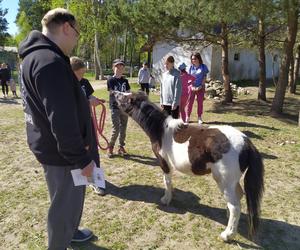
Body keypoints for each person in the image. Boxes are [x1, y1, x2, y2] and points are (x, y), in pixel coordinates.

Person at [18, 8, 96, 249]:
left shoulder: (36, 57)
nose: (76, 39)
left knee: (63, 200)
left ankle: (70, 232)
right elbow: (60, 119)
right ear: (66, 27)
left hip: (52, 148)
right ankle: (60, 241)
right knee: (64, 205)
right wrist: (82, 159)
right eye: (77, 33)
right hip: (64, 155)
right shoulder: (49, 62)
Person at [70, 56, 106, 196]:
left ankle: (96, 181)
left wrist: (94, 100)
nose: (82, 76)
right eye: (80, 73)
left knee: (93, 151)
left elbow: (89, 96)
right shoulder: (66, 84)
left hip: (87, 122)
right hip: (73, 124)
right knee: (78, 152)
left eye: (83, 73)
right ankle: (83, 178)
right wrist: (87, 102)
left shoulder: (84, 82)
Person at [107, 59, 131, 158]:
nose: (119, 69)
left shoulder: (125, 80)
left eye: (121, 67)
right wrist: (125, 94)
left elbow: (129, 91)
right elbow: (112, 92)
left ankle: (121, 147)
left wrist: (129, 98)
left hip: (124, 108)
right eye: (117, 67)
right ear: (113, 68)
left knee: (123, 129)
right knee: (116, 129)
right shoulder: (110, 80)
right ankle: (110, 147)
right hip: (115, 107)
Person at [188, 52, 209, 124]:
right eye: (192, 59)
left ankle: (199, 117)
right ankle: (188, 117)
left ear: (198, 58)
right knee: (190, 103)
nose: (193, 60)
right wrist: (192, 86)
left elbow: (204, 77)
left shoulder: (203, 67)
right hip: (192, 88)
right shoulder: (191, 67)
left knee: (200, 103)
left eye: (195, 59)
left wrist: (201, 86)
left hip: (200, 88)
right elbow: (189, 78)